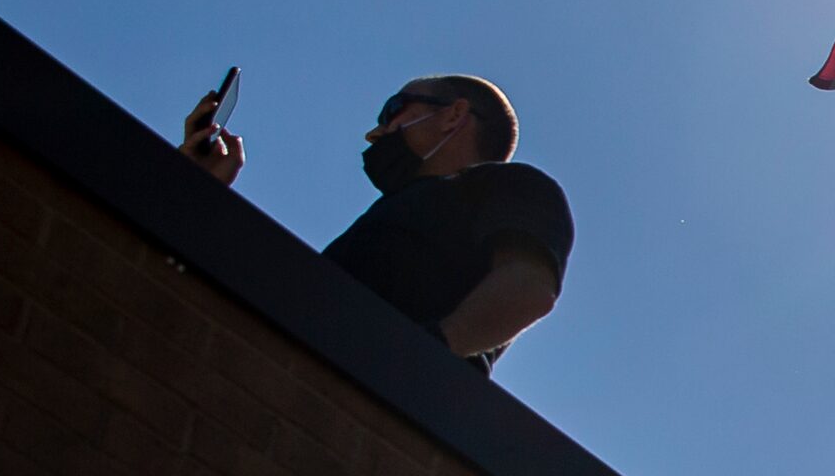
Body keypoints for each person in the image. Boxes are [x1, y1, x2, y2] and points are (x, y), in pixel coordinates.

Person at [181, 73, 572, 374]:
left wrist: (416, 359)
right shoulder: (386, 219)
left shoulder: (508, 186)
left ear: (453, 114)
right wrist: (197, 187)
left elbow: (529, 286)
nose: (376, 132)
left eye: (393, 110)